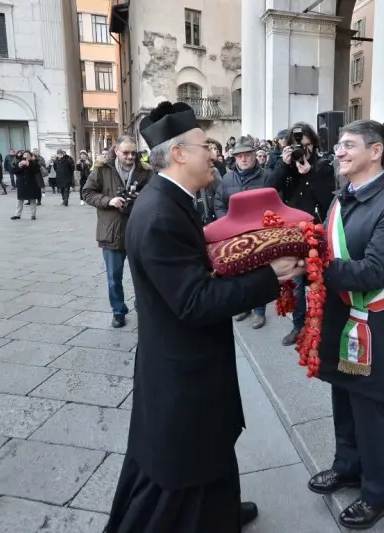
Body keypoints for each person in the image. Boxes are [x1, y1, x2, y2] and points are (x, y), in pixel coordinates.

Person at [105, 100, 303, 533]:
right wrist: (269, 277)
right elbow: (193, 301)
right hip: (182, 365)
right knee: (185, 459)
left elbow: (197, 270)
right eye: (203, 146)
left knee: (209, 444)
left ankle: (221, 510)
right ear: (178, 153)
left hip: (187, 357)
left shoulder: (173, 200)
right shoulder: (159, 213)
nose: (213, 153)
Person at [308, 119, 384, 530]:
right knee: (343, 396)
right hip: (342, 317)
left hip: (371, 324)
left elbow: (374, 271)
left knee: (369, 407)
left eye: (349, 145)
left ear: (376, 151)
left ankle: (378, 493)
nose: (339, 151)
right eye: (338, 144)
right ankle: (347, 466)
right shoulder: (343, 197)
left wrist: (314, 266)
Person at [272, 122, 336, 347]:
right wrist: (283, 164)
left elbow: (327, 201)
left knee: (320, 283)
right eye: (297, 146)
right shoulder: (285, 166)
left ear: (314, 145)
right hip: (292, 232)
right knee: (296, 283)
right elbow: (269, 189)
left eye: (306, 145)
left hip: (315, 231)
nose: (303, 150)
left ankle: (322, 328)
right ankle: (298, 327)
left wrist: (309, 174)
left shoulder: (324, 167)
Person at [82, 135, 155, 328]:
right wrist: (109, 201)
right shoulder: (101, 169)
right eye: (126, 153)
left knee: (143, 275)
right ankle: (118, 311)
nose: (131, 156)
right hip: (112, 232)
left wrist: (142, 199)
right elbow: (87, 193)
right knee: (114, 278)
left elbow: (156, 194)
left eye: (133, 153)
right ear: (116, 151)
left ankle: (143, 306)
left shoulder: (146, 171)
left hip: (139, 231)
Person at [214, 136, 285, 330]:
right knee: (239, 270)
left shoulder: (267, 177)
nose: (243, 159)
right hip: (235, 233)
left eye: (247, 155)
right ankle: (244, 306)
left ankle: (259, 311)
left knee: (259, 271)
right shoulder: (227, 178)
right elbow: (219, 202)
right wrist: (226, 222)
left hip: (258, 233)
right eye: (240, 156)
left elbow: (276, 203)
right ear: (235, 158)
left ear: (255, 156)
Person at [10, 151, 41, 220]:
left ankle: (33, 215)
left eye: (27, 154)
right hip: (21, 183)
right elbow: (13, 171)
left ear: (30, 156)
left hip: (31, 183)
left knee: (32, 199)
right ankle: (17, 214)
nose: (25, 155)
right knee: (20, 199)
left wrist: (28, 165)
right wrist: (19, 166)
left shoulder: (34, 163)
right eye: (24, 154)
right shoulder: (20, 162)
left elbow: (36, 170)